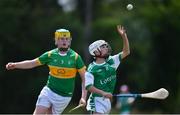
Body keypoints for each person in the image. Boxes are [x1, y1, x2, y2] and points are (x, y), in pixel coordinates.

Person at [6, 29, 87, 114]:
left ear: (70, 41)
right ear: (56, 41)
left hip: (64, 96)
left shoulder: (76, 57)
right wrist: (15, 65)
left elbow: (85, 78)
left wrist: (83, 97)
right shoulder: (50, 55)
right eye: (61, 39)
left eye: (67, 39)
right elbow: (32, 63)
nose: (64, 41)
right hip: (49, 91)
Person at [85, 25, 130, 114]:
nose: (106, 47)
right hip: (96, 101)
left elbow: (126, 52)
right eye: (103, 46)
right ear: (96, 51)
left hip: (107, 101)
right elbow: (88, 86)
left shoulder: (111, 61)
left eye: (106, 46)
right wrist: (103, 93)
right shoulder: (92, 69)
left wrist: (124, 36)